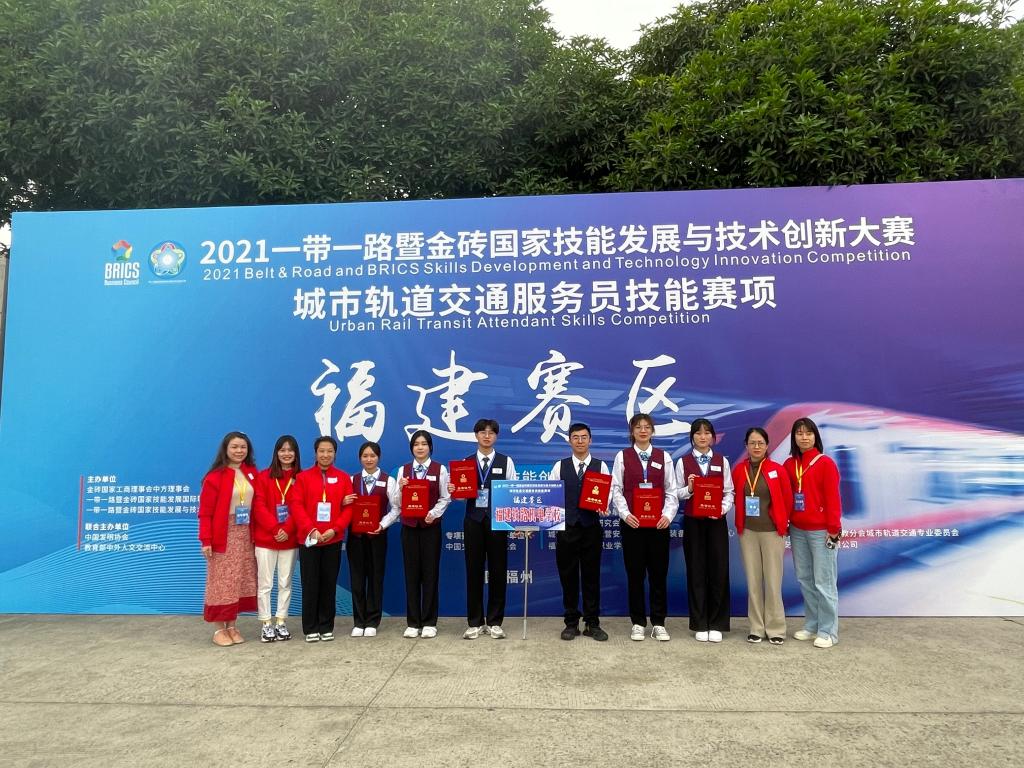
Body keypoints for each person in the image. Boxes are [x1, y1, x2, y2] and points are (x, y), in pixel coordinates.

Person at [610, 413, 680, 641]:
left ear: (652, 431)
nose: (643, 430)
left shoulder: (664, 457)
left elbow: (671, 491)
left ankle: (659, 622)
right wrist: (625, 514)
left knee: (658, 574)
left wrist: (667, 516)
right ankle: (638, 622)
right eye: (638, 427)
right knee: (635, 575)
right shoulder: (623, 456)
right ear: (632, 431)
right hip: (633, 525)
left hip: (658, 526)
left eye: (647, 427)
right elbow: (616, 490)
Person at [783, 417, 842, 649]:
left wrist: (834, 529)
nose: (804, 437)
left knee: (824, 582)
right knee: (805, 579)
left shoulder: (826, 463)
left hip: (821, 532)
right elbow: (785, 498)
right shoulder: (790, 465)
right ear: (794, 437)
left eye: (808, 433)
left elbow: (833, 498)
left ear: (815, 436)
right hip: (797, 530)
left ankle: (829, 631)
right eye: (799, 433)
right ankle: (812, 625)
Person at [731, 427, 793, 645]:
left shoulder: (777, 470)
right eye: (752, 443)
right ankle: (756, 627)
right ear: (746, 446)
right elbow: (733, 496)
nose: (756, 447)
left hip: (772, 532)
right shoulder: (739, 470)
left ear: (767, 446)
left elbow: (787, 499)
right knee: (753, 581)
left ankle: (776, 628)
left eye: (760, 443)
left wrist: (782, 524)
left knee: (773, 582)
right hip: (748, 532)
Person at [289, 436, 354, 643]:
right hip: (309, 540)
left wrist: (335, 529)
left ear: (335, 454)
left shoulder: (344, 478)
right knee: (310, 584)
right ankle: (310, 627)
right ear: (316, 453)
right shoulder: (303, 478)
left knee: (328, 583)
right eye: (322, 451)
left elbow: (348, 509)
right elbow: (296, 506)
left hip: (332, 540)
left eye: (330, 451)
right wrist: (311, 530)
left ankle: (326, 626)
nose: (326, 455)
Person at [549, 422, 610, 641]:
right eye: (575, 437)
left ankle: (592, 623)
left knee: (592, 577)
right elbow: (551, 498)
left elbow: (608, 496)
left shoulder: (601, 466)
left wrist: (605, 507)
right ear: (569, 441)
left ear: (590, 440)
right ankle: (571, 623)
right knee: (568, 577)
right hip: (567, 530)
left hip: (591, 528)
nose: (580, 441)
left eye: (584, 437)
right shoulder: (559, 466)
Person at [197, 431, 259, 646]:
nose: (239, 451)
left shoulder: (252, 473)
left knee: (238, 581)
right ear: (225, 449)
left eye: (243, 447)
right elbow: (205, 512)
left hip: (246, 533)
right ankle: (219, 629)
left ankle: (232, 625)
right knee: (221, 582)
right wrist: (206, 540)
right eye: (234, 447)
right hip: (223, 534)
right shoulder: (214, 477)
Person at [676, 418, 735, 643]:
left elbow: (729, 492)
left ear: (713, 436)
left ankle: (717, 623)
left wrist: (721, 509)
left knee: (719, 570)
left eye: (707, 432)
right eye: (698, 433)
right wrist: (689, 489)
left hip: (716, 521)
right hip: (693, 522)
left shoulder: (722, 461)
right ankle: (700, 623)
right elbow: (676, 493)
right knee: (696, 571)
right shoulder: (683, 462)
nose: (703, 437)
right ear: (692, 437)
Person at [458, 419, 517, 640]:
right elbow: (460, 496)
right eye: (482, 432)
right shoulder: (465, 463)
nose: (486, 436)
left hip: (498, 522)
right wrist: (455, 490)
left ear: (496, 436)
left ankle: (494, 621)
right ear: (476, 435)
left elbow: (513, 492)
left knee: (498, 570)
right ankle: (474, 622)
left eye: (491, 432)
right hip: (473, 520)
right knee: (473, 570)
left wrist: (514, 522)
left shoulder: (506, 461)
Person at [391, 430, 450, 639]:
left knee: (430, 574)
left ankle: (429, 622)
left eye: (424, 443)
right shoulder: (404, 470)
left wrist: (433, 514)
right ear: (411, 448)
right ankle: (413, 622)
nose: (420, 447)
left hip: (430, 528)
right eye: (416, 444)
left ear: (430, 447)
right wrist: (400, 488)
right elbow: (396, 502)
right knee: (412, 574)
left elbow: (445, 497)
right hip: (409, 528)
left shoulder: (440, 469)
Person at [343, 441, 399, 638]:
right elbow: (345, 508)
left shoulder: (388, 480)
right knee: (357, 578)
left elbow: (396, 508)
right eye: (365, 456)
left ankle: (373, 620)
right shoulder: (351, 480)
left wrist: (382, 525)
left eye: (372, 456)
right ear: (360, 458)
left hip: (377, 537)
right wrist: (343, 502)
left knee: (375, 578)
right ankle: (359, 621)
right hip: (355, 537)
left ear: (378, 457)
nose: (369, 459)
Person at [252, 435, 302, 643]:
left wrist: (287, 529)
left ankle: (281, 621)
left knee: (285, 582)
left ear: (296, 454)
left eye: (290, 450)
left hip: (289, 539)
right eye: (282, 450)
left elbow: (301, 507)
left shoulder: (301, 478)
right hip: (266, 538)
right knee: (265, 584)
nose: (286, 454)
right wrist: (274, 528)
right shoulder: (264, 476)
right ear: (276, 453)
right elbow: (259, 506)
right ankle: (266, 624)